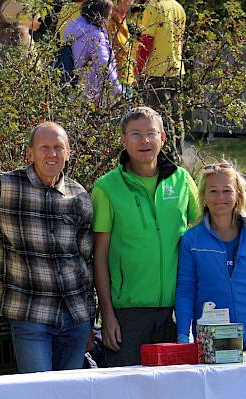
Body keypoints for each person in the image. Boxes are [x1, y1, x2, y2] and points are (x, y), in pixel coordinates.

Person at [0, 121, 95, 373]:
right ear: (30, 152)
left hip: (75, 318)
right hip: (30, 314)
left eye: (58, 147)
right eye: (44, 147)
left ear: (68, 153)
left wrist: (89, 320)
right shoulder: (6, 187)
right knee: (38, 392)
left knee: (70, 394)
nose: (52, 153)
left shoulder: (79, 196)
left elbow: (86, 263)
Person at [91, 106, 198, 366]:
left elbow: (210, 227)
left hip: (177, 312)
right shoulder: (106, 188)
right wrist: (107, 315)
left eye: (151, 133)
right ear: (123, 140)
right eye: (136, 134)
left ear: (162, 137)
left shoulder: (182, 180)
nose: (144, 141)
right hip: (128, 314)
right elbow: (99, 256)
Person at [175, 161, 246, 351]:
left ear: (238, 195)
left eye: (227, 190)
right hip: (211, 340)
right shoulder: (191, 241)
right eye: (213, 191)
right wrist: (183, 334)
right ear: (203, 197)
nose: (220, 197)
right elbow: (185, 290)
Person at [134, 0, 186, 163]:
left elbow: (146, 42)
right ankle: (178, 157)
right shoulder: (178, 7)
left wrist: (137, 70)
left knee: (159, 118)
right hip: (177, 69)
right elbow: (180, 40)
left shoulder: (152, 7)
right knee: (177, 117)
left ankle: (167, 160)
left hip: (156, 71)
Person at [62, 0, 123, 100]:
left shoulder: (74, 27)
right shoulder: (95, 35)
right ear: (101, 14)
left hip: (73, 86)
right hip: (90, 92)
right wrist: (117, 89)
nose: (109, 19)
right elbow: (104, 64)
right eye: (109, 14)